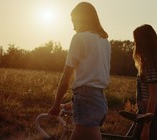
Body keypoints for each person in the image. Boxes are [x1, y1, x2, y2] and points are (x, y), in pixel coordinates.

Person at [48, 2, 111, 140]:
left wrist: (56, 104)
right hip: (100, 99)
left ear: (83, 19)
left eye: (74, 21)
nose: (73, 26)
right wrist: (75, 102)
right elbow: (94, 78)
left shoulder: (79, 38)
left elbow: (66, 77)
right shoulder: (105, 42)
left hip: (86, 98)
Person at [132, 24, 157, 140]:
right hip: (147, 114)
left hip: (151, 116)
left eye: (135, 41)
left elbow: (153, 96)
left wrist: (146, 126)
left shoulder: (150, 66)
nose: (134, 44)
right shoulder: (149, 64)